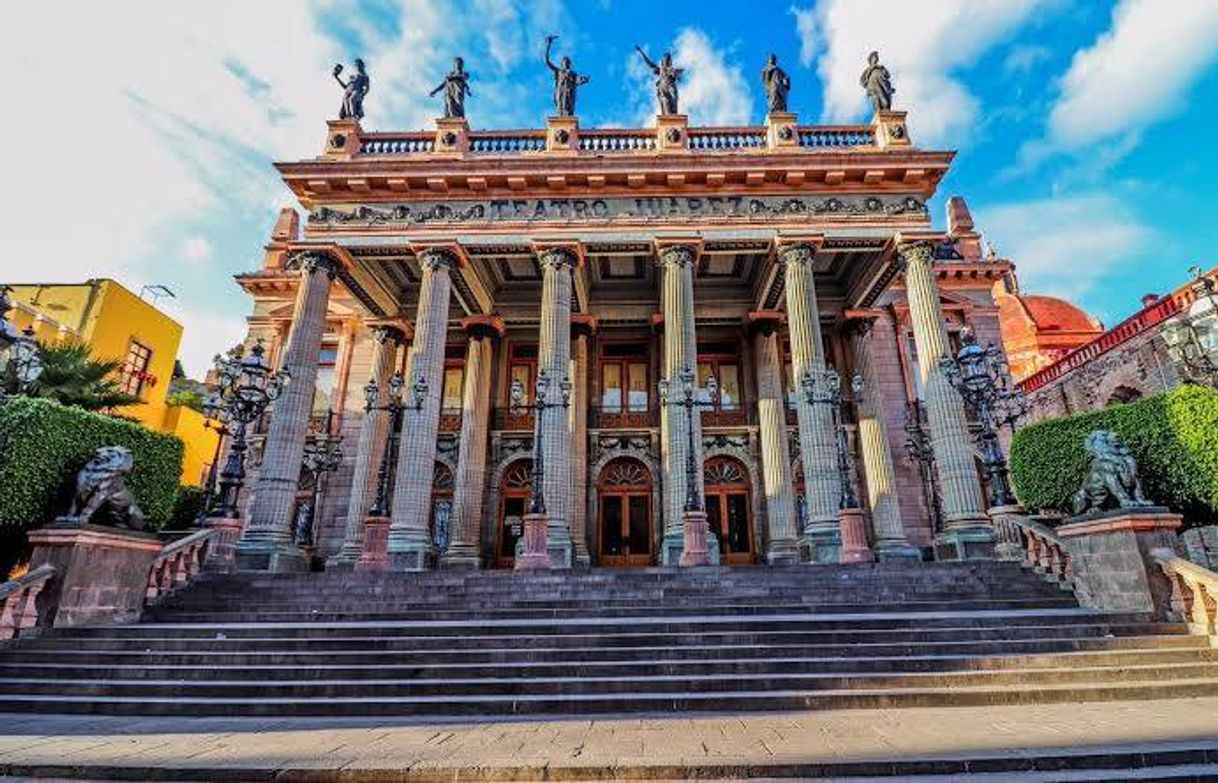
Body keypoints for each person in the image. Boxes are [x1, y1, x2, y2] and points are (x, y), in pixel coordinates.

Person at [544, 35, 589, 117]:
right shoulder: (559, 71)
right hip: (560, 92)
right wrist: (548, 45)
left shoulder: (573, 74)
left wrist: (584, 80)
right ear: (562, 64)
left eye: (567, 62)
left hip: (569, 93)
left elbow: (578, 80)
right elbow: (547, 61)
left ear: (569, 64)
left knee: (568, 109)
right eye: (564, 62)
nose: (566, 63)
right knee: (560, 108)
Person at [635, 45, 684, 115]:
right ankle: (669, 121)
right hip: (663, 89)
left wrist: (677, 75)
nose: (666, 61)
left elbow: (678, 76)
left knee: (674, 101)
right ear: (663, 61)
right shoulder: (661, 69)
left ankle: (673, 119)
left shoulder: (672, 70)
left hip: (671, 88)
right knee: (666, 104)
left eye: (668, 60)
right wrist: (641, 52)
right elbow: (649, 63)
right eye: (665, 59)